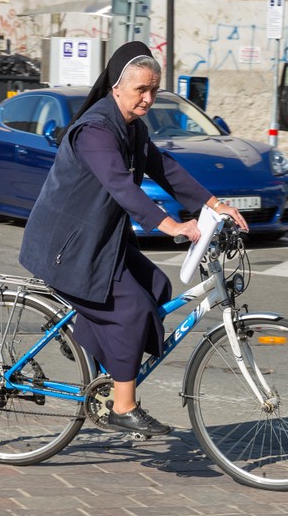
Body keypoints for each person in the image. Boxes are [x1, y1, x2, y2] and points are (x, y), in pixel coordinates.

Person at [18, 41, 248, 437]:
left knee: (157, 287)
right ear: (117, 87)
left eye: (154, 90)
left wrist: (214, 204)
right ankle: (122, 406)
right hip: (68, 247)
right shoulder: (95, 130)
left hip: (100, 241)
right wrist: (170, 225)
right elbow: (121, 186)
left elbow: (165, 168)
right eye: (141, 89)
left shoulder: (132, 127)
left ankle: (91, 346)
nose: (149, 98)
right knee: (132, 311)